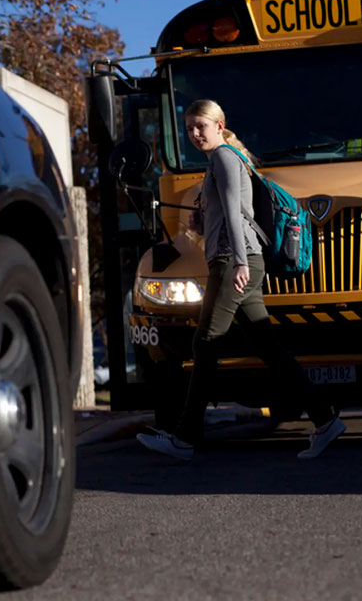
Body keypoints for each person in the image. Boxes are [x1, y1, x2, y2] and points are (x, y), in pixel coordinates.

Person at [137, 99, 345, 461]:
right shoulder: (225, 160)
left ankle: (184, 438)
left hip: (235, 262)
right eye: (189, 129)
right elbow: (232, 212)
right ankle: (326, 420)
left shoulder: (224, 157)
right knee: (268, 348)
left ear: (220, 125)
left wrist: (237, 262)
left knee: (205, 344)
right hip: (237, 259)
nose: (195, 134)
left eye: (201, 126)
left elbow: (235, 214)